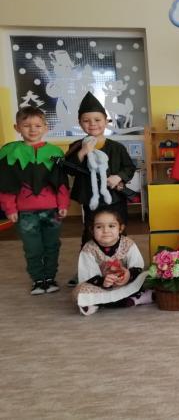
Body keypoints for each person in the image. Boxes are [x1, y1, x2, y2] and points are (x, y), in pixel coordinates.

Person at [65, 92, 136, 285]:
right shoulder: (76, 146)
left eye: (97, 119)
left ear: (106, 121)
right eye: (86, 120)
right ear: (80, 123)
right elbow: (68, 168)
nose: (92, 124)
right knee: (90, 234)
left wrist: (118, 177)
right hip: (92, 200)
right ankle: (86, 270)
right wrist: (83, 151)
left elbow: (129, 167)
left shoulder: (117, 147)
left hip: (115, 200)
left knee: (118, 233)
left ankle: (123, 268)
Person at [0, 106, 70, 294]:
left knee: (52, 245)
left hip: (52, 210)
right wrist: (10, 208)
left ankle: (50, 277)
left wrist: (63, 203)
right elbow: (6, 184)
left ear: (46, 128)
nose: (32, 130)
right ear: (17, 128)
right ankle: (38, 279)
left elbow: (61, 182)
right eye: (26, 125)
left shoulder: (54, 152)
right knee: (32, 247)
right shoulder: (10, 152)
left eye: (38, 125)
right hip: (25, 212)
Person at [73, 208, 151, 315]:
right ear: (92, 230)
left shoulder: (128, 244)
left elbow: (138, 267)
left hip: (126, 283)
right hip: (101, 286)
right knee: (79, 292)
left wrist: (128, 276)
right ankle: (133, 300)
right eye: (99, 227)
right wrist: (104, 282)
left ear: (120, 228)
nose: (105, 230)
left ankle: (100, 303)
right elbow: (88, 276)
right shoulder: (88, 249)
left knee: (146, 277)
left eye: (111, 226)